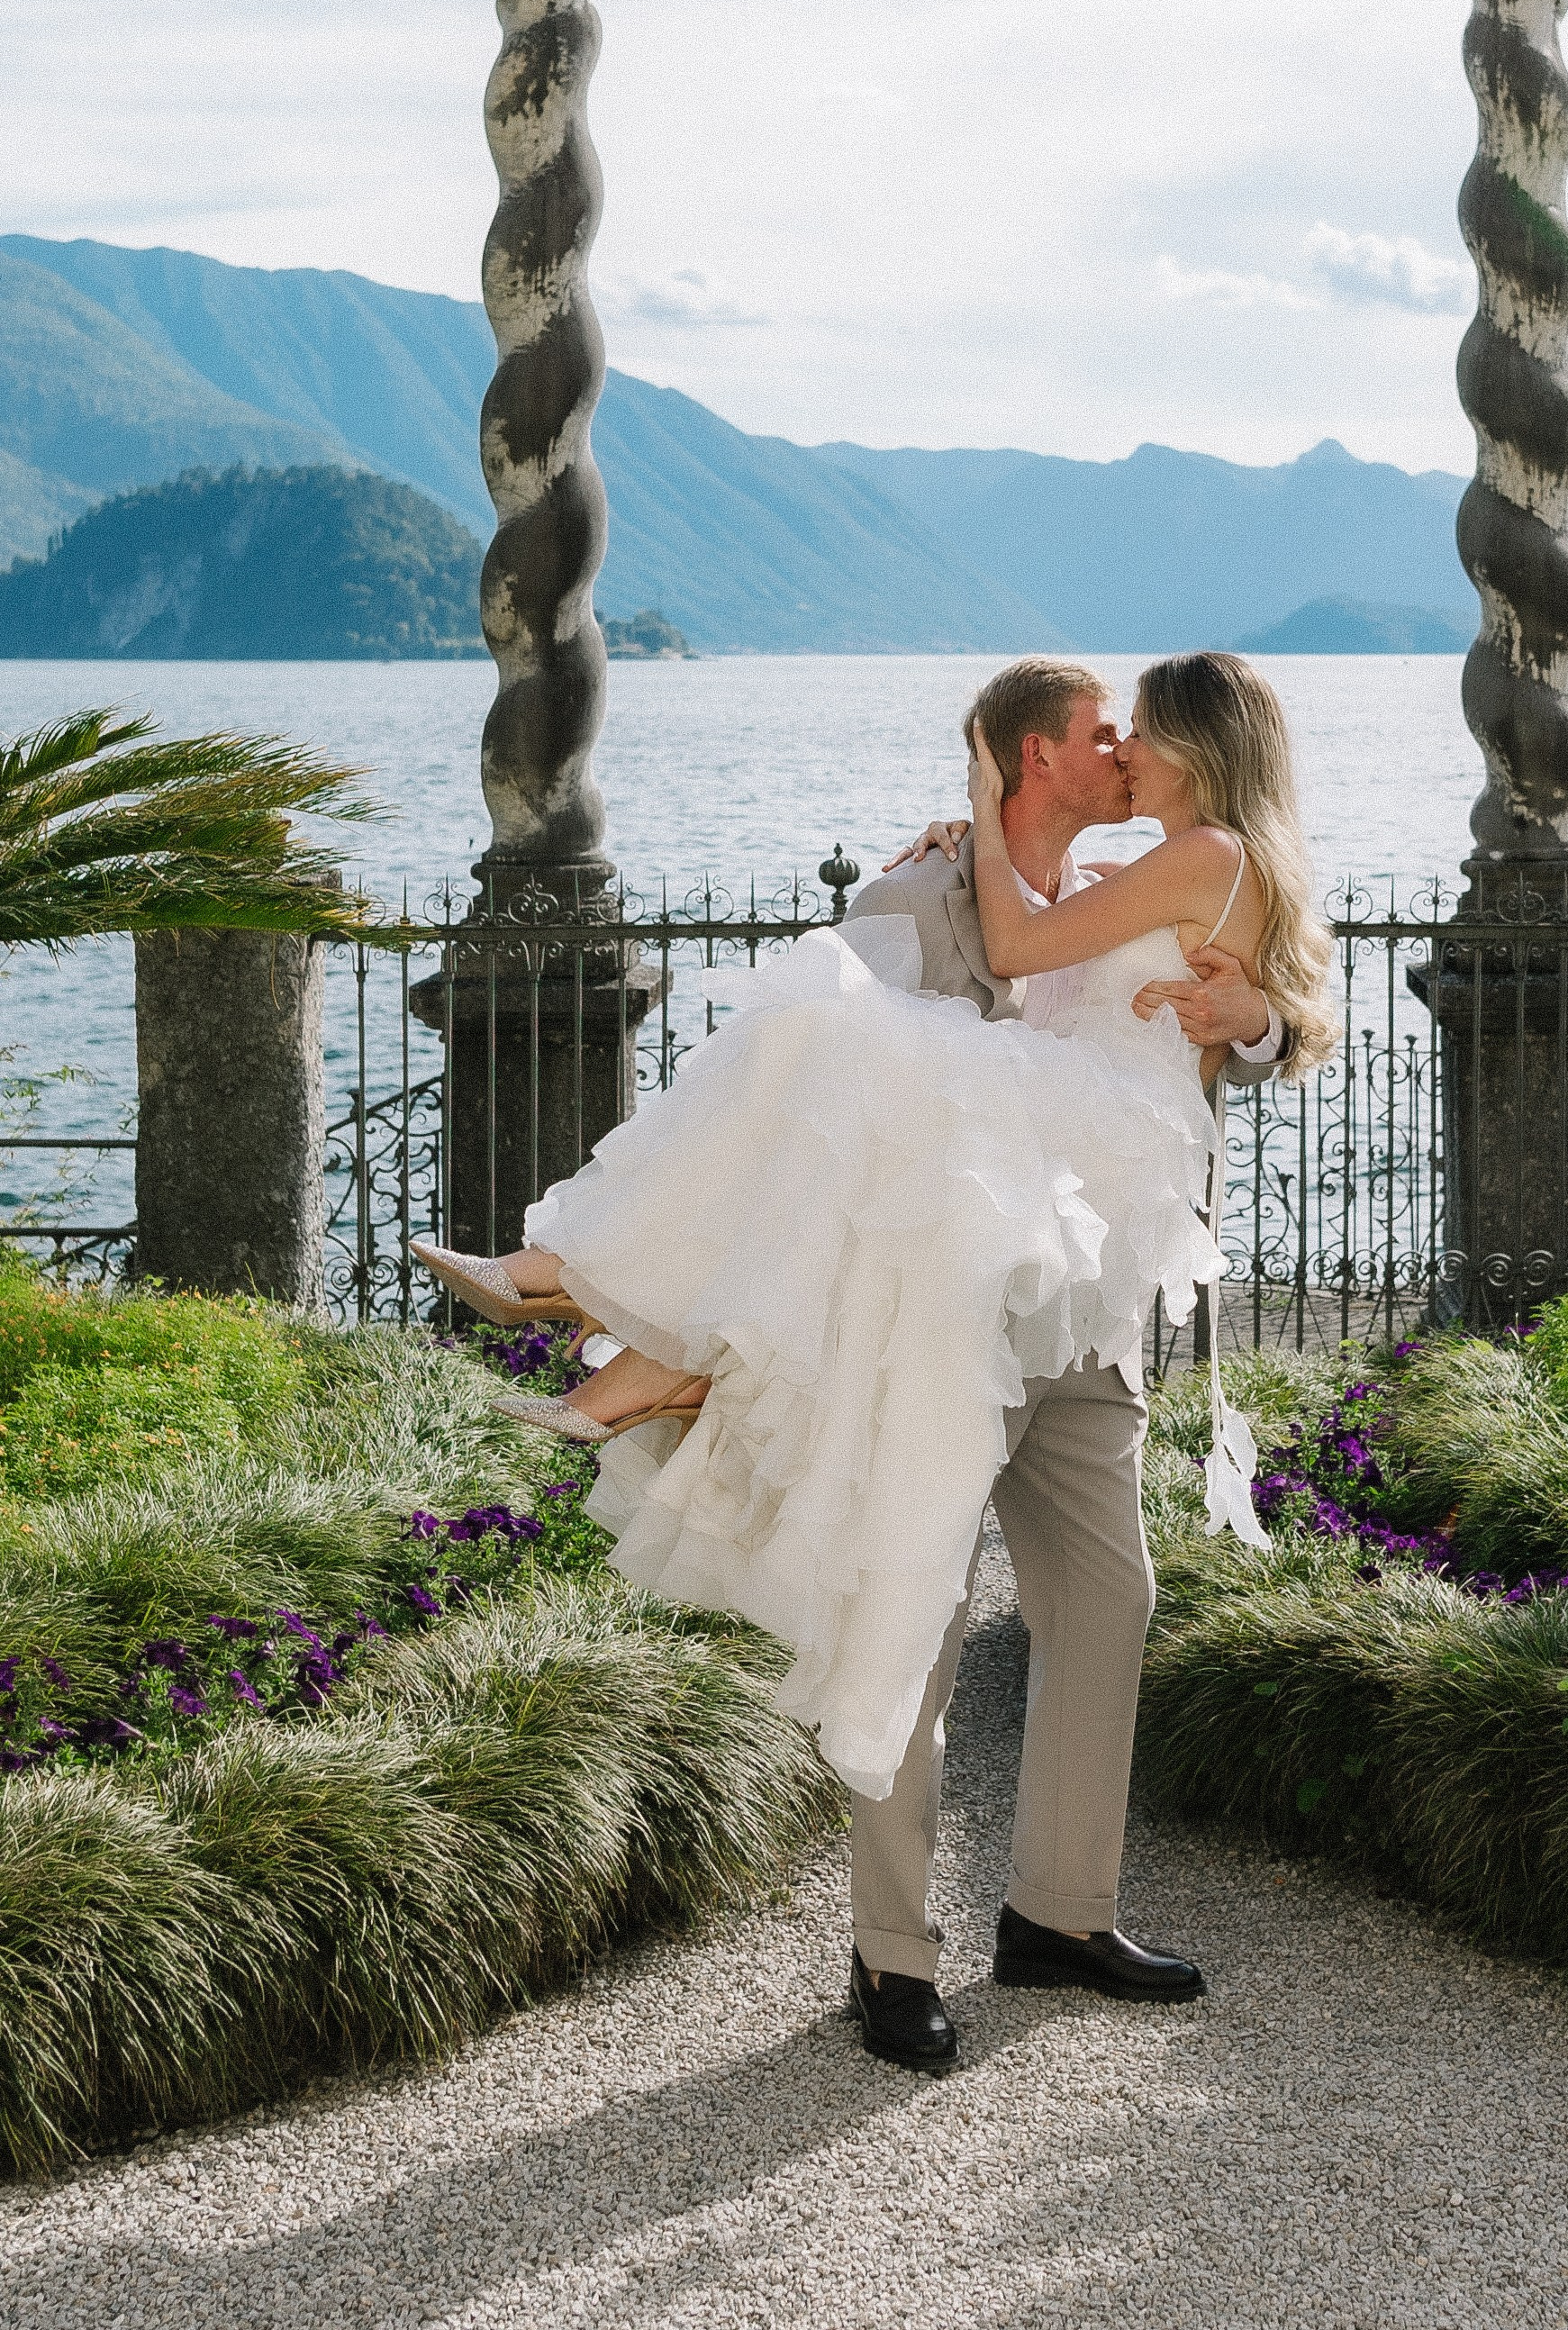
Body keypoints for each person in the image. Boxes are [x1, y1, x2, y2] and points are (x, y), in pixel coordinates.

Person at [413, 652, 1336, 2073]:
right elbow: (816, 1137)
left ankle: (1059, 1914)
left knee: (1109, 1595)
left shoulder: (1158, 872)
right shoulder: (928, 885)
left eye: (1140, 733)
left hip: (1080, 1304)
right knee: (912, 1593)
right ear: (1038, 762)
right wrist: (965, 843)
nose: (1124, 750)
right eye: (1104, 734)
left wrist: (1259, 1023)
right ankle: (894, 1958)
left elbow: (1271, 1012)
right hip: (947, 1317)